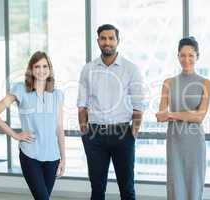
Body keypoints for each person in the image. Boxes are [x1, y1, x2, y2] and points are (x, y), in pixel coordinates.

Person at [77, 24, 145, 200]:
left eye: (111, 38)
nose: (107, 42)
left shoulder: (131, 69)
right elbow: (82, 105)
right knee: (97, 190)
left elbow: (138, 106)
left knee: (127, 189)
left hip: (123, 134)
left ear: (118, 41)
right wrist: (85, 133)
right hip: (95, 136)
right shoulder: (88, 69)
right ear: (98, 41)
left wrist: (133, 134)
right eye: (103, 38)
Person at [0, 51, 66, 200]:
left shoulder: (57, 94)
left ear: (50, 69)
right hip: (30, 156)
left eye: (45, 66)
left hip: (53, 157)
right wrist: (15, 135)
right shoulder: (20, 89)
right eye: (37, 66)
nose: (41, 70)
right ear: (31, 69)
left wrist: (63, 159)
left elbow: (59, 128)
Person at [156, 37, 210, 200]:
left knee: (194, 185)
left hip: (195, 142)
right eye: (182, 55)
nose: (186, 60)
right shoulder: (168, 82)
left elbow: (200, 116)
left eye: (191, 55)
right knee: (175, 186)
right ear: (178, 56)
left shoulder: (205, 83)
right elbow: (160, 115)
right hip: (175, 142)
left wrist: (172, 114)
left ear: (197, 56)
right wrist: (188, 115)